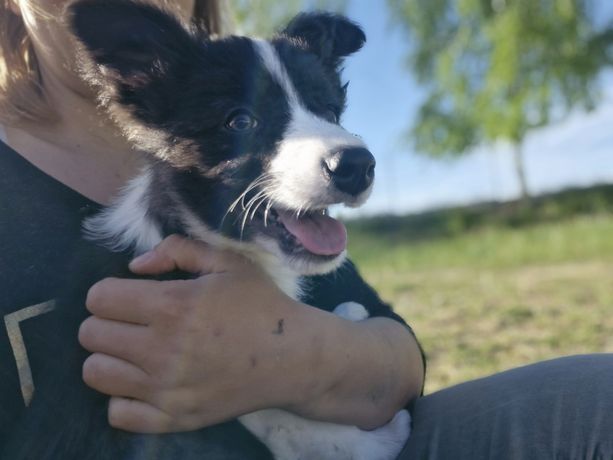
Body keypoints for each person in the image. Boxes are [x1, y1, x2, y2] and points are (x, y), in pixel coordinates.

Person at [0, 1, 611, 459]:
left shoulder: (282, 220)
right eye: (242, 119)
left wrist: (300, 356)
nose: (325, 138)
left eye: (323, 110)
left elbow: (396, 358)